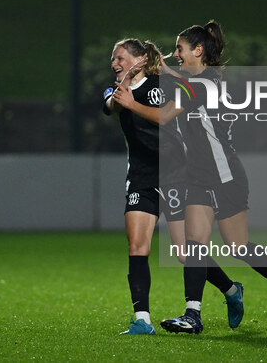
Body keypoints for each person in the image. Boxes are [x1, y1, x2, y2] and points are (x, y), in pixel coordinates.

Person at [112, 21, 267, 335]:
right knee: (193, 245)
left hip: (225, 175)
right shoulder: (190, 80)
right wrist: (150, 68)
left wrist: (132, 103)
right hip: (197, 177)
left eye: (180, 49)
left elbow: (164, 115)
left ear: (198, 51)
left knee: (238, 246)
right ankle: (192, 315)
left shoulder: (207, 84)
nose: (175, 55)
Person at [103, 38, 244, 335]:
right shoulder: (117, 90)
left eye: (120, 57)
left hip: (178, 174)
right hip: (141, 178)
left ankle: (231, 290)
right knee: (137, 247)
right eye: (112, 59)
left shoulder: (164, 84)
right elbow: (112, 105)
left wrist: (166, 72)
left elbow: (194, 91)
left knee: (184, 252)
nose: (114, 63)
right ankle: (142, 319)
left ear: (140, 57)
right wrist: (126, 81)